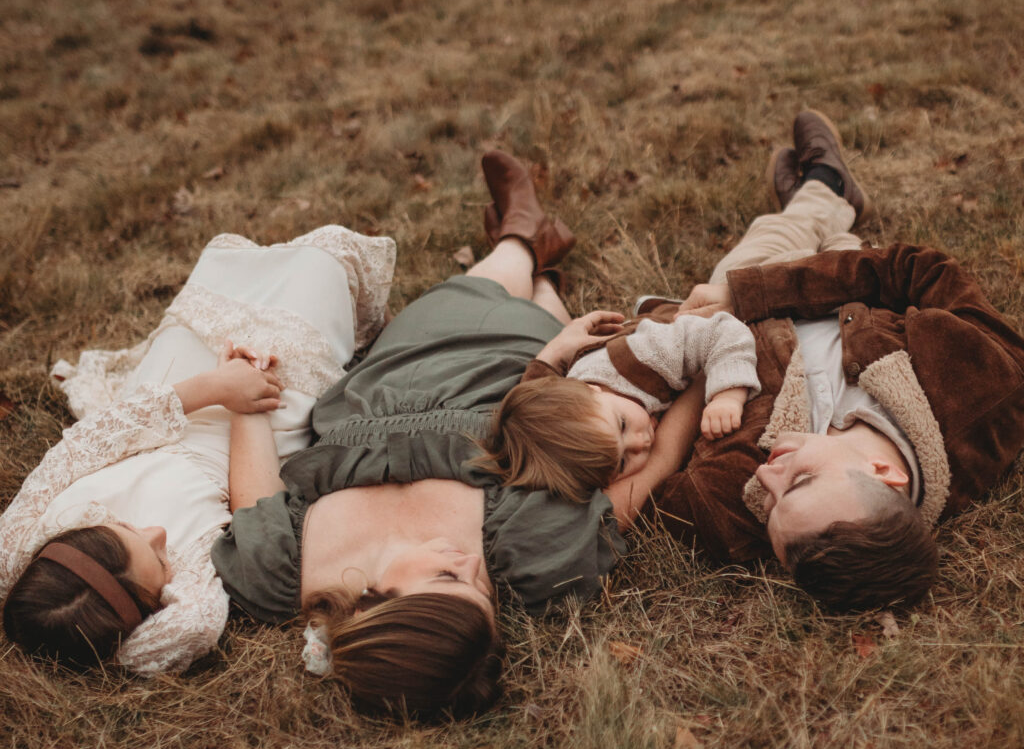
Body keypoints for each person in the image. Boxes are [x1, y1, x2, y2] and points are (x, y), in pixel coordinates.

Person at [213, 152, 706, 715]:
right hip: (507, 383)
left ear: (373, 604)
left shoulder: (275, 576)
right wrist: (705, 368)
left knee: (457, 296)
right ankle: (532, 254)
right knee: (525, 314)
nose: (471, 566)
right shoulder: (533, 558)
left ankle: (523, 242)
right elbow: (658, 464)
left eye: (449, 577)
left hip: (384, 379)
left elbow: (255, 505)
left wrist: (243, 401)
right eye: (481, 594)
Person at [646, 110, 1024, 611]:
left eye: (773, 507)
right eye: (799, 482)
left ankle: (820, 192)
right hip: (834, 285)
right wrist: (752, 294)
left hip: (745, 307)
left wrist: (727, 322)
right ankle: (825, 191)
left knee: (772, 241)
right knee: (843, 250)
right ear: (885, 474)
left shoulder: (726, 511)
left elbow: (639, 487)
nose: (765, 481)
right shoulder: (990, 390)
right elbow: (918, 270)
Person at [0, 226, 395, 672]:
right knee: (318, 270)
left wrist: (217, 386)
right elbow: (199, 621)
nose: (160, 536)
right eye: (160, 561)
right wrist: (245, 405)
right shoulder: (188, 588)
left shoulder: (24, 540)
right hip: (245, 446)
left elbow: (99, 433)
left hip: (165, 405)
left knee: (222, 270)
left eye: (130, 530)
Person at [478, 299, 760, 502]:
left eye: (623, 425)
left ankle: (661, 305)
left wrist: (728, 395)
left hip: (685, 322)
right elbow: (537, 401)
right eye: (623, 463)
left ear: (592, 389)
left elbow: (723, 331)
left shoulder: (644, 357)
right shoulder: (587, 410)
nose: (641, 443)